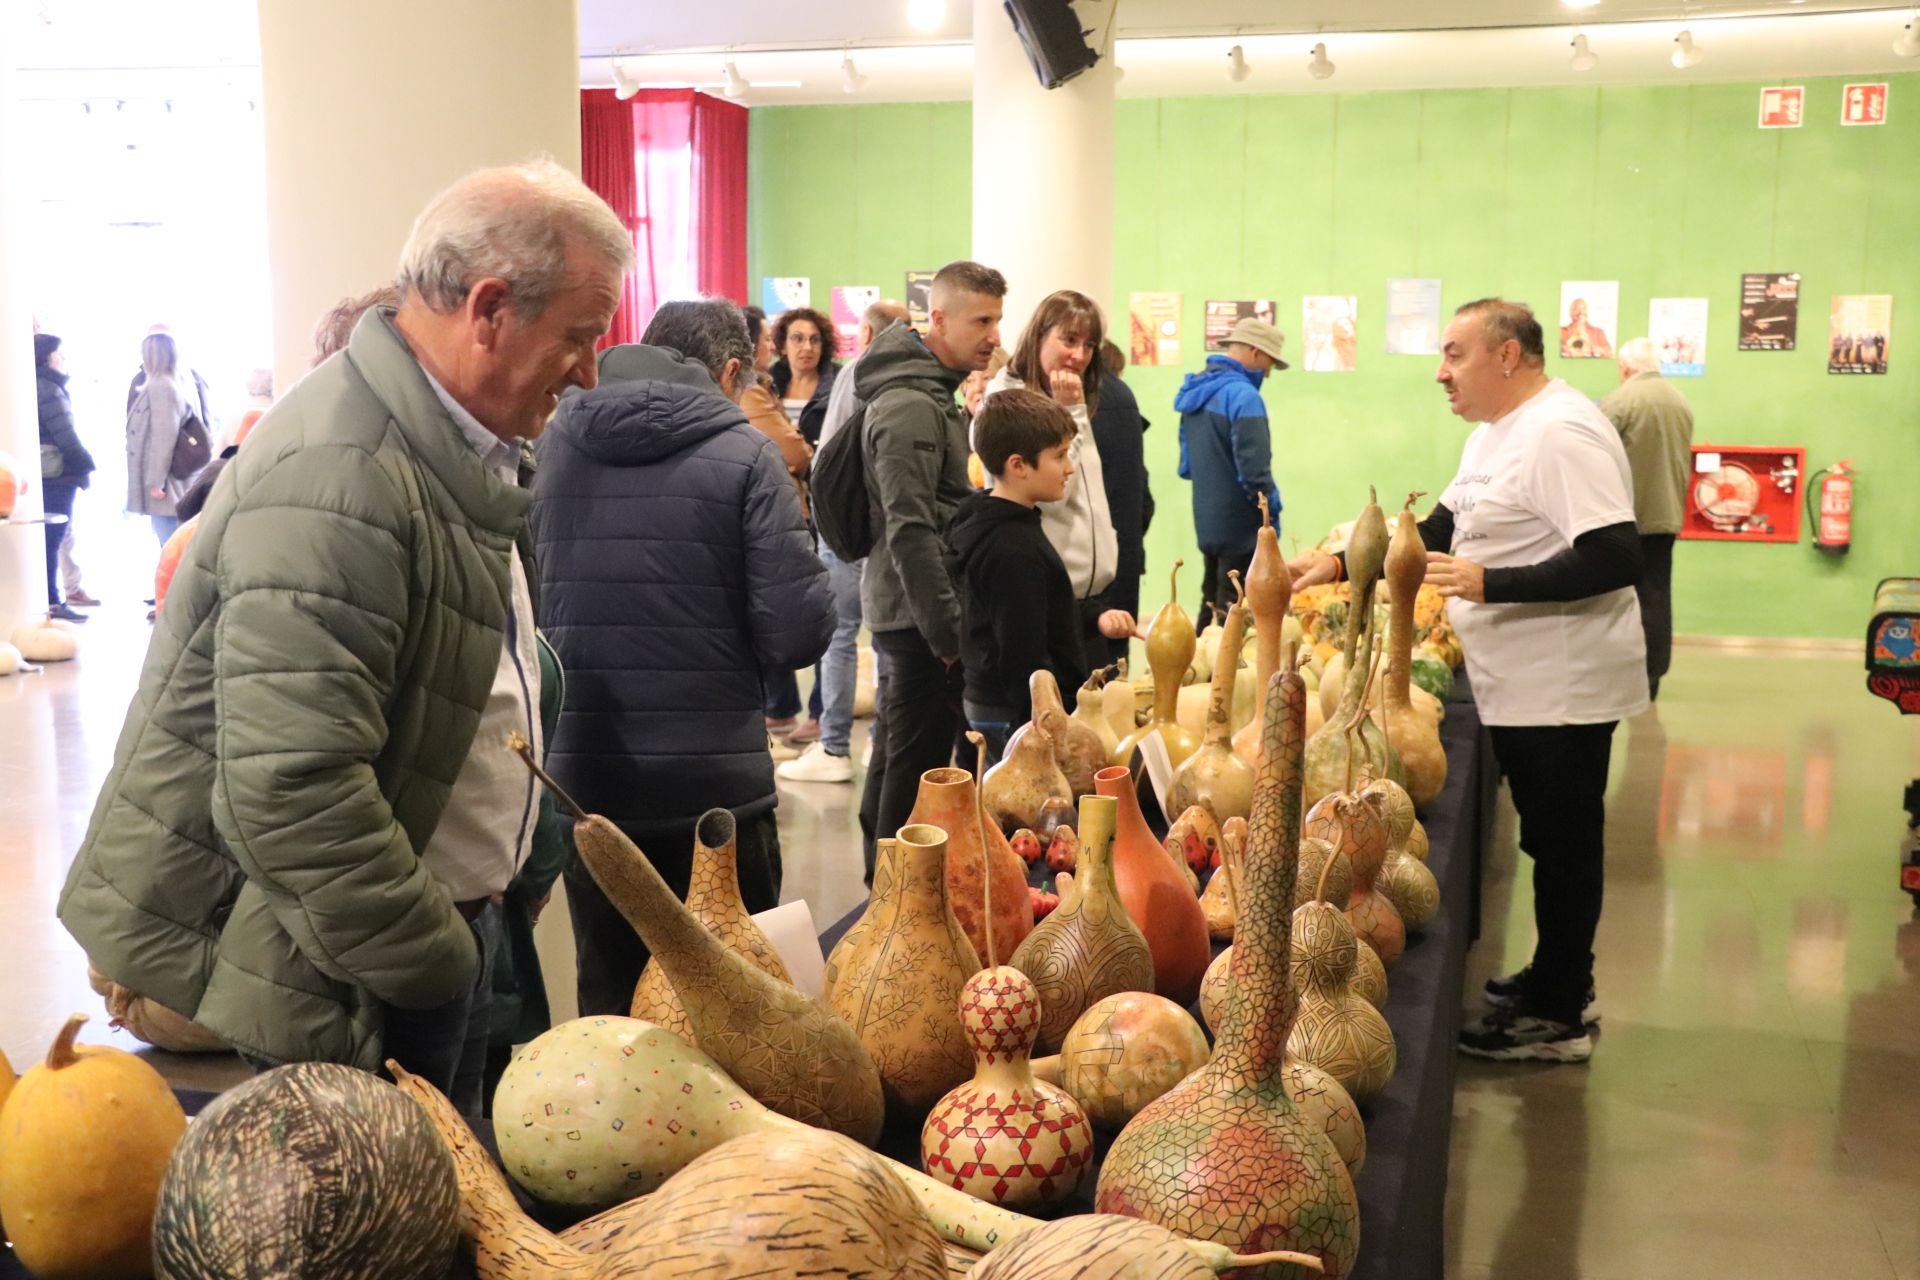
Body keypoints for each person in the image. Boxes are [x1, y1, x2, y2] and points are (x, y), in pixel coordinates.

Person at [59, 159, 633, 1116]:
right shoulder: (342, 472)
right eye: (578, 336)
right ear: (489, 309)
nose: (588, 371)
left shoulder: (445, 448)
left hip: (413, 939)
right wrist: (438, 959)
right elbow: (291, 788)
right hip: (363, 972)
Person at [1291, 298, 1645, 1064]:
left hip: (1565, 681)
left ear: (1507, 355)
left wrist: (1493, 583)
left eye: (1454, 354)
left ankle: (1558, 1017)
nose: (1441, 373)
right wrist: (1336, 564)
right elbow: (1440, 530)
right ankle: (1557, 978)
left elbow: (1617, 554)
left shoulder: (1562, 431)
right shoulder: (1493, 435)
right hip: (1522, 679)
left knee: (1564, 844)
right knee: (1549, 838)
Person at [530, 297, 832, 1018]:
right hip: (716, 791)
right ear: (728, 372)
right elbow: (794, 634)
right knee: (739, 1013)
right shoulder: (747, 455)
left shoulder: (551, 441)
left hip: (586, 783)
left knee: (614, 1016)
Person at [856, 259, 1006, 879]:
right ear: (939, 319)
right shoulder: (911, 406)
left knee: (900, 757)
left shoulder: (931, 393)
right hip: (916, 615)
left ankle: (884, 892)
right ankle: (894, 899)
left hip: (916, 609)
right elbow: (910, 528)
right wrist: (947, 634)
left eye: (997, 320)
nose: (994, 336)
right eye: (982, 321)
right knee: (914, 773)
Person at [780, 297, 910, 785]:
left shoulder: (856, 374)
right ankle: (880, 739)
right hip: (890, 527)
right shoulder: (912, 378)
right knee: (886, 636)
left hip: (848, 529)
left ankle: (834, 746)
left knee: (841, 635)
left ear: (867, 336)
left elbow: (829, 458)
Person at [985, 290, 1134, 666]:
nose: (1079, 356)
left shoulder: (1070, 397)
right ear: (1039, 335)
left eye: (1089, 345)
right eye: (1069, 340)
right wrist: (1072, 413)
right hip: (1045, 600)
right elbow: (1053, 495)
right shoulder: (1008, 401)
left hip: (1089, 603)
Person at [947, 388, 1086, 762]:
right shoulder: (1012, 548)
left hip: (998, 706)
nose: (1069, 467)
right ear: (1018, 465)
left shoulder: (1004, 527)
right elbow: (1020, 651)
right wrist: (1040, 726)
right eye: (1059, 456)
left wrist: (1095, 615)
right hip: (1013, 715)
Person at [1174, 316, 1288, 620]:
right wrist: (1272, 513)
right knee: (1237, 611)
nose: (1268, 374)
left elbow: (1186, 465)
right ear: (1254, 352)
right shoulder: (1244, 397)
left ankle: (1200, 651)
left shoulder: (1196, 390)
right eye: (1269, 364)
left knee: (1211, 600)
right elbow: (1255, 472)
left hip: (1207, 520)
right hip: (1242, 527)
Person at [1600, 337, 1693, 700]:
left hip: (1627, 518)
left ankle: (1623, 675)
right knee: (1656, 595)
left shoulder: (1621, 400)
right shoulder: (1679, 400)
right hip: (1666, 516)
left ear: (1625, 368)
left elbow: (1592, 453)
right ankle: (1653, 676)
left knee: (1616, 599)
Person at [1090, 339, 1154, 665]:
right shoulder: (1124, 400)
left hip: (1087, 567)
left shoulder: (1086, 400)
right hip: (1123, 554)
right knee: (1115, 665)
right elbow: (1144, 498)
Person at [33, 333, 95, 622]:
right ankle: (52, 603)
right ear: (47, 357)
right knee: (51, 540)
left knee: (49, 540)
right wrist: (84, 466)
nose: (63, 359)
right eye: (59, 353)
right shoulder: (48, 388)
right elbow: (66, 436)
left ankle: (51, 600)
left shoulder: (38, 385)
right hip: (56, 475)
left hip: (48, 474)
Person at [124, 331, 198, 543]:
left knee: (169, 541)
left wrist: (156, 481)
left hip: (167, 481)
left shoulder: (161, 386)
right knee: (175, 538)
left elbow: (164, 437)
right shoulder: (179, 382)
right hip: (176, 476)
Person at [771, 305, 839, 445]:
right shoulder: (767, 384)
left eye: (815, 340)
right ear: (783, 346)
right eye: (798, 338)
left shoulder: (839, 383)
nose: (807, 347)